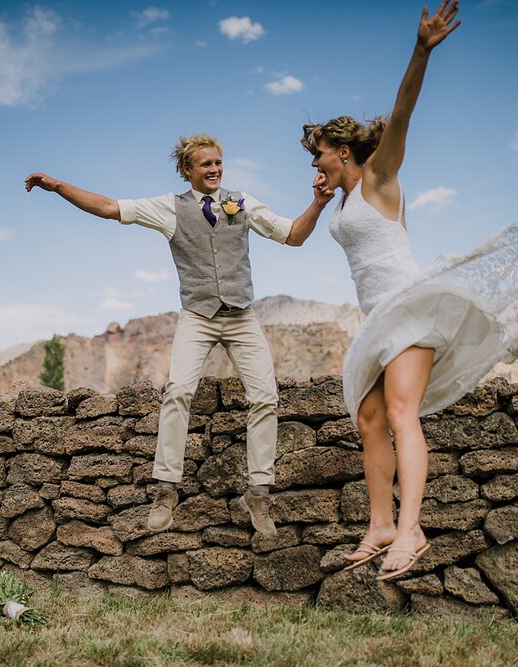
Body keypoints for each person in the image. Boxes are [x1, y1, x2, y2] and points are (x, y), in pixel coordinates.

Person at [301, 1, 518, 581]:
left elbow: (402, 114)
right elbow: (298, 235)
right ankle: (381, 524)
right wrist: (319, 197)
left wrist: (421, 50)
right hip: (378, 315)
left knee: (403, 412)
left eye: (320, 156)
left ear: (343, 150)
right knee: (368, 418)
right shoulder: (337, 201)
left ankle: (412, 531)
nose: (315, 164)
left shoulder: (380, 178)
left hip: (412, 306)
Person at [26, 134, 333, 538]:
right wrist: (59, 187)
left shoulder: (242, 202)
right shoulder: (169, 208)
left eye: (218, 162)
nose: (214, 169)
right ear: (187, 171)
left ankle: (258, 494)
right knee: (177, 392)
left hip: (241, 316)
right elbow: (107, 207)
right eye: (205, 164)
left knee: (265, 397)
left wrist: (319, 203)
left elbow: (293, 235)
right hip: (198, 316)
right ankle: (166, 491)